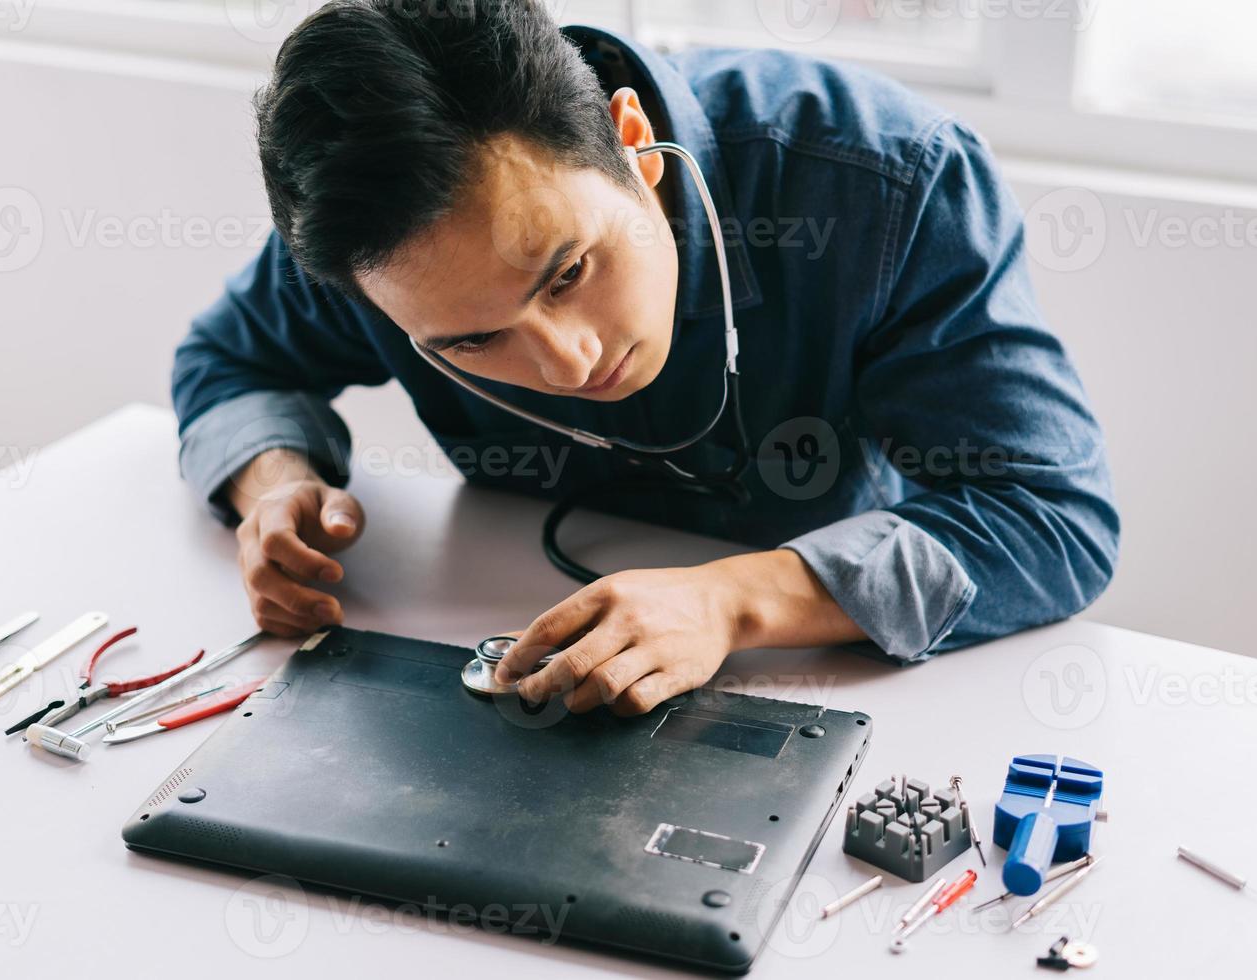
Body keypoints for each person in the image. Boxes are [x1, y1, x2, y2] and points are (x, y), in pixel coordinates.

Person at [171, 0, 1118, 715]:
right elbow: (228, 363)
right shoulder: (378, 251)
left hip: (812, 685)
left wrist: (737, 602)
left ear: (634, 145)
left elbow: (1053, 517)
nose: (565, 361)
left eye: (568, 271)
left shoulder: (883, 180)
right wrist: (271, 485)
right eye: (471, 340)